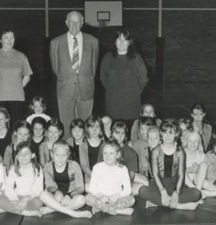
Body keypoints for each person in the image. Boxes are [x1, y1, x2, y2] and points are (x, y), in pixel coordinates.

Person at [50, 11, 99, 139]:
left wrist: (84, 78)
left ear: (82, 23)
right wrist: (68, 77)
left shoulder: (93, 41)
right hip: (65, 87)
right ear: (67, 23)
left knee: (86, 123)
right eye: (71, 21)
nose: (74, 25)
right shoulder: (56, 42)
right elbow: (56, 68)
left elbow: (93, 67)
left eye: (78, 22)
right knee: (66, 124)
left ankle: (85, 149)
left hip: (86, 87)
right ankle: (68, 150)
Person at [138, 119, 202, 210]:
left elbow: (181, 174)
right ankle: (179, 206)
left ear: (176, 134)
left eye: (171, 133)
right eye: (165, 133)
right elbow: (155, 174)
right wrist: (162, 191)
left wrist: (176, 192)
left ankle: (160, 202)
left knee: (197, 193)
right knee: (142, 191)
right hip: (158, 184)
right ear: (161, 133)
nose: (168, 136)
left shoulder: (180, 151)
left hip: (175, 183)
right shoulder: (155, 151)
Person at [0, 27, 33, 125]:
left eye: (12, 38)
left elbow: (27, 76)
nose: (9, 40)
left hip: (17, 98)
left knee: (16, 127)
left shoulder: (21, 56)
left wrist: (17, 87)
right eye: (6, 38)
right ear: (0, 40)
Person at [100, 30, 148, 123]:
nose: (121, 42)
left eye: (124, 40)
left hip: (131, 102)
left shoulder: (136, 58)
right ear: (115, 42)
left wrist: (135, 91)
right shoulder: (107, 57)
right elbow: (103, 78)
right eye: (119, 39)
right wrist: (112, 89)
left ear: (129, 42)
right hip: (112, 102)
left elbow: (143, 78)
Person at [39, 140, 92, 218]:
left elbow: (80, 188)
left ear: (68, 155)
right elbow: (49, 185)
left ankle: (51, 209)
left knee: (82, 200)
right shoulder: (47, 167)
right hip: (56, 197)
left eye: (63, 155)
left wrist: (68, 196)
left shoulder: (74, 166)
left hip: (71, 197)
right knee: (42, 195)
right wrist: (56, 192)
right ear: (51, 154)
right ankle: (74, 213)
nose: (60, 158)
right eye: (57, 155)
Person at [86, 140, 136, 215]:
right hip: (101, 198)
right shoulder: (97, 167)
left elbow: (128, 190)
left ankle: (101, 208)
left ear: (118, 155)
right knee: (87, 198)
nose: (107, 156)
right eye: (105, 153)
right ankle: (118, 211)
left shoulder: (123, 169)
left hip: (116, 199)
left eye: (111, 153)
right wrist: (101, 195)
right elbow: (92, 187)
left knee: (132, 200)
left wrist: (118, 195)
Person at [0, 141, 43, 217]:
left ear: (33, 155)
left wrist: (25, 199)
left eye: (26, 153)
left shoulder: (37, 168)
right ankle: (26, 212)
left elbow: (38, 189)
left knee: (39, 203)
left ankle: (9, 209)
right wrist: (15, 200)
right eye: (20, 154)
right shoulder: (13, 168)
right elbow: (9, 187)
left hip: (30, 199)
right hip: (17, 196)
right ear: (16, 156)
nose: (23, 156)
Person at [110, 120, 148, 195]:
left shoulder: (130, 152)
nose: (120, 136)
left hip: (126, 180)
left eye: (122, 133)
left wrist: (122, 185)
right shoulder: (105, 148)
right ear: (112, 133)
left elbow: (131, 174)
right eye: (117, 133)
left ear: (125, 135)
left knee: (146, 183)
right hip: (108, 181)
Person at [79, 115, 104, 190]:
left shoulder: (105, 144)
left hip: (103, 178)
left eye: (97, 127)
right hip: (88, 179)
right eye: (91, 127)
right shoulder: (82, 144)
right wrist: (95, 177)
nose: (94, 130)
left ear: (101, 128)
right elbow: (84, 166)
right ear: (87, 129)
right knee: (88, 188)